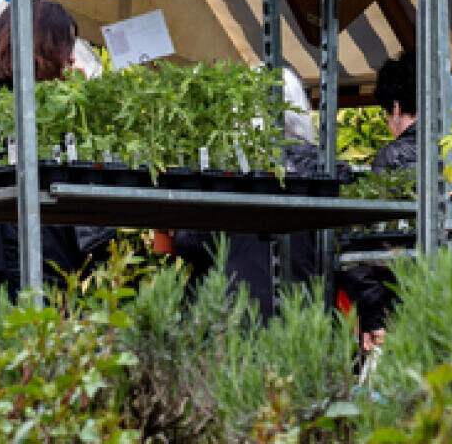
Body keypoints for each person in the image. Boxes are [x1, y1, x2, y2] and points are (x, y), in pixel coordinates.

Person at [0, 0, 113, 314]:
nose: (71, 58)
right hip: (17, 281)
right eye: (64, 46)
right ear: (40, 46)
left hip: (39, 272)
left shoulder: (29, 106)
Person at [162, 70, 332, 319]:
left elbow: (194, 242)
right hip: (304, 310)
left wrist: (173, 227)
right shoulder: (322, 168)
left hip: (234, 312)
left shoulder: (228, 171)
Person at [340, 54, 418, 351]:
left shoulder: (392, 157)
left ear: (396, 108)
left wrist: (373, 315)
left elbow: (363, 240)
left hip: (398, 295)